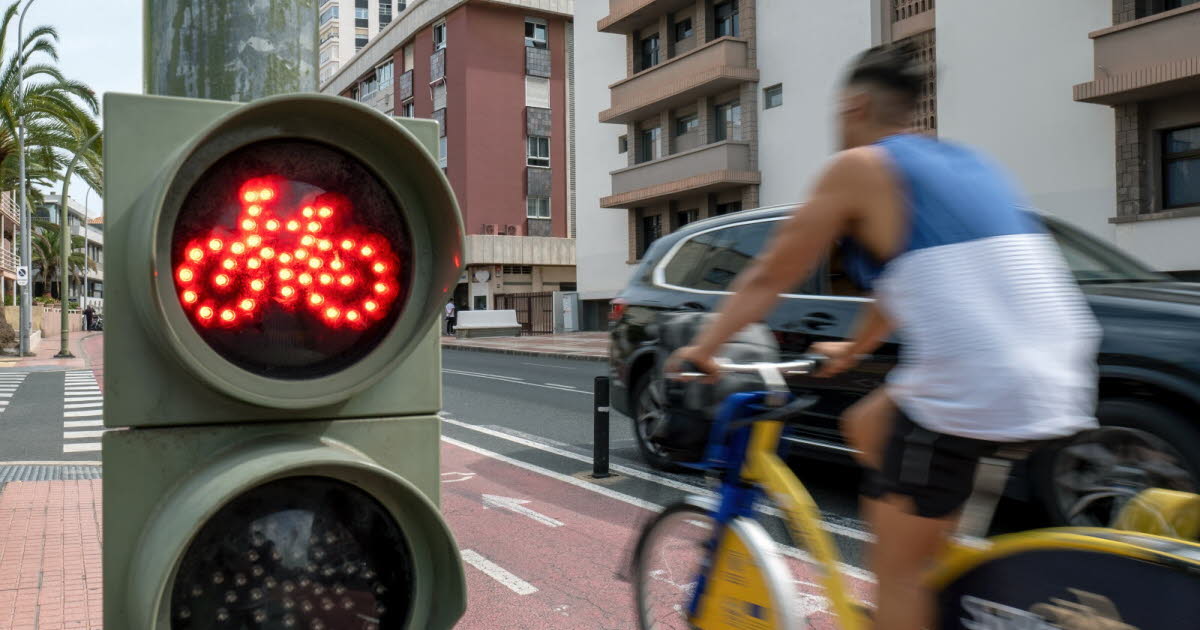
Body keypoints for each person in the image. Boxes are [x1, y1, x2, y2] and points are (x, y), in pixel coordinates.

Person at [668, 44, 1100, 630]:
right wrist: (853, 350)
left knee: (893, 567)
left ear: (856, 105)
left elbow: (772, 273)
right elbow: (907, 287)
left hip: (980, 379)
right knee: (867, 422)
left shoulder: (861, 168)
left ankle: (908, 594)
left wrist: (705, 346)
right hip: (1066, 365)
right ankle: (941, 562)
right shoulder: (969, 164)